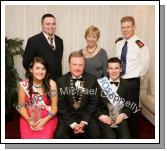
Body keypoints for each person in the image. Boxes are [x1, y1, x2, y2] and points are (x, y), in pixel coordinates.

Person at [115, 16, 150, 137]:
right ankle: (120, 133)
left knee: (132, 110)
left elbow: (145, 64)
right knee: (120, 108)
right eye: (123, 27)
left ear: (134, 27)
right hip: (120, 80)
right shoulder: (119, 43)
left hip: (132, 81)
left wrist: (137, 77)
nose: (125, 30)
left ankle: (132, 136)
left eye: (128, 27)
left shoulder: (140, 44)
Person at [55, 51, 100, 139]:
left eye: (80, 65)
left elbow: (93, 103)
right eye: (74, 64)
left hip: (86, 115)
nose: (77, 68)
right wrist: (73, 124)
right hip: (68, 116)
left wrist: (84, 122)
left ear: (84, 65)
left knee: (96, 135)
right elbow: (61, 106)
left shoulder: (92, 80)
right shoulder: (60, 81)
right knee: (58, 136)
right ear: (69, 65)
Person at [16, 57, 58, 138]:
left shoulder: (51, 84)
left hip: (47, 116)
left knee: (44, 138)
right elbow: (20, 107)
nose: (40, 72)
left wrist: (44, 121)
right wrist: (28, 120)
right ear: (31, 70)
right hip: (28, 116)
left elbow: (54, 109)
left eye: (43, 69)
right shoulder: (24, 85)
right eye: (37, 68)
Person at [96, 57, 132, 139]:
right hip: (105, 118)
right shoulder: (100, 84)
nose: (113, 71)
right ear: (107, 70)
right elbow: (94, 104)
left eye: (116, 68)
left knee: (126, 138)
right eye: (111, 68)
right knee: (110, 138)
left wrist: (123, 115)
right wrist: (101, 116)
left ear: (121, 69)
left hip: (120, 118)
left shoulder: (128, 85)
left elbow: (131, 105)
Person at [23, 13, 63, 81]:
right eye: (48, 24)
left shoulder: (60, 41)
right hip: (40, 81)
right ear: (42, 25)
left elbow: (58, 62)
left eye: (53, 24)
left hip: (57, 81)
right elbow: (26, 63)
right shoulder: (33, 41)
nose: (51, 26)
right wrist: (37, 78)